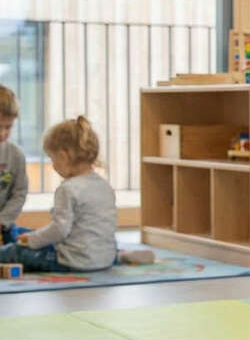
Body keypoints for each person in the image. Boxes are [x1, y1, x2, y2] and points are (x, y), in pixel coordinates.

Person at [0, 116, 152, 271]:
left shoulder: (67, 189)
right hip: (104, 257)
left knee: (16, 251)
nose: (53, 166)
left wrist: (31, 241)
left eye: (53, 160)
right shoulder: (104, 185)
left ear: (64, 157)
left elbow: (59, 230)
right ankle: (120, 256)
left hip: (73, 261)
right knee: (33, 234)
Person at [0, 86, 26, 245]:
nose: (2, 133)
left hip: (4, 225)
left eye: (8, 127)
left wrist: (3, 221)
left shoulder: (16, 155)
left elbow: (19, 193)